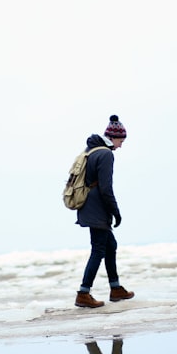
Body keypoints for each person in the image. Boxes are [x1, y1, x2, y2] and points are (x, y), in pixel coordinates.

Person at [74, 114, 135, 308]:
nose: (120, 146)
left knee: (110, 245)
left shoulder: (91, 150)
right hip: (97, 208)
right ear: (113, 137)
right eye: (120, 141)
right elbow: (106, 189)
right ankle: (83, 293)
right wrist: (116, 212)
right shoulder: (106, 154)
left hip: (88, 205)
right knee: (98, 249)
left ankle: (115, 288)